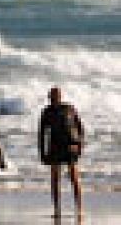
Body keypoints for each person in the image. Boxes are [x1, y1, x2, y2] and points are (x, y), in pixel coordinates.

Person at [39, 86, 84, 219]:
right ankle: (57, 209)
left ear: (60, 96)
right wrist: (42, 153)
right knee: (55, 179)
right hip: (55, 147)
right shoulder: (47, 112)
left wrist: (79, 144)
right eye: (52, 96)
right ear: (49, 97)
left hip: (70, 146)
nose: (54, 98)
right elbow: (41, 134)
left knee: (74, 177)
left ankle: (79, 208)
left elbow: (80, 127)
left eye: (56, 95)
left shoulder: (69, 108)